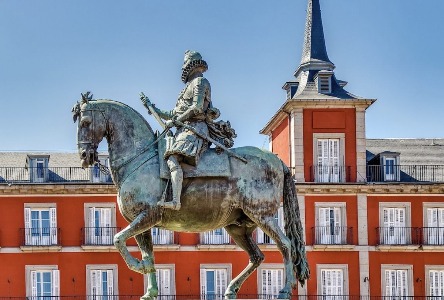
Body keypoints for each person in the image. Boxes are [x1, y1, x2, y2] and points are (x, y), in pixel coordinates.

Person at [142, 50, 212, 210]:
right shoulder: (186, 89)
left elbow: (197, 108)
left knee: (172, 158)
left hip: (195, 130)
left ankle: (175, 201)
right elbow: (174, 113)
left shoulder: (200, 82)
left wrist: (176, 121)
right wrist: (155, 109)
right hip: (184, 130)